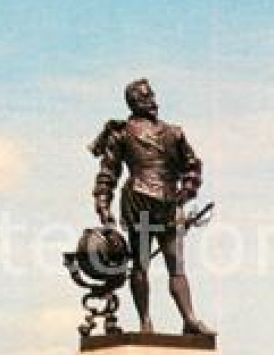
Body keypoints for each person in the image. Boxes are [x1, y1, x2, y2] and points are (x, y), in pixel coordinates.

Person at [90, 78, 214, 335]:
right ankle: (145, 321)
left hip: (168, 203)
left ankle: (189, 319)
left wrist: (186, 191)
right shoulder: (121, 133)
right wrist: (103, 202)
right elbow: (108, 172)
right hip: (139, 201)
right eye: (146, 97)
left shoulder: (174, 133)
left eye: (152, 96)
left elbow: (192, 166)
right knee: (141, 264)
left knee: (176, 264)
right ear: (134, 102)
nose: (153, 101)